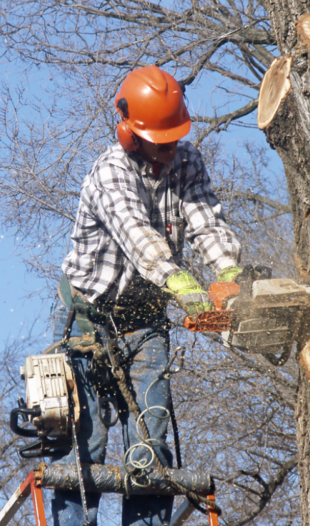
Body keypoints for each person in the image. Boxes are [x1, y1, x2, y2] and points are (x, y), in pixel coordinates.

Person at [50, 65, 242, 526]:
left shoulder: (188, 161)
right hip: (88, 319)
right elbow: (137, 236)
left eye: (175, 137)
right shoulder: (110, 172)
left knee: (151, 442)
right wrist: (183, 284)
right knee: (87, 442)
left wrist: (231, 275)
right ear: (130, 132)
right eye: (162, 140)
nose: (169, 148)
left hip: (146, 320)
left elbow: (205, 221)